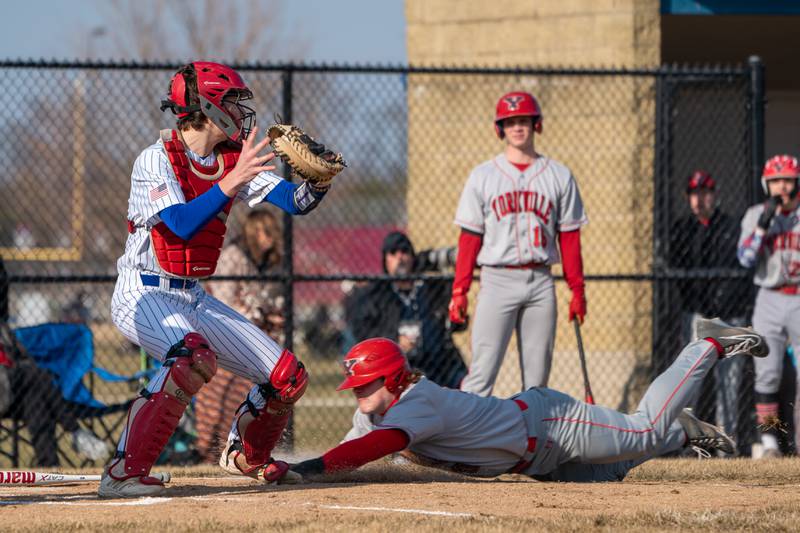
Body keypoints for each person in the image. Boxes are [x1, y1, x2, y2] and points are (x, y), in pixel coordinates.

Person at [99, 61, 334, 497]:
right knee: (190, 357)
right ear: (206, 106)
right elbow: (179, 226)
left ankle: (247, 456)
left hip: (192, 296)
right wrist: (231, 182)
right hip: (143, 290)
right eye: (230, 101)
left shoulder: (229, 159)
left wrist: (318, 183)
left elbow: (293, 202)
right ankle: (123, 473)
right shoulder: (156, 157)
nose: (240, 110)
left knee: (288, 377)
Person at [284, 318, 767, 483]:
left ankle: (707, 343)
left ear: (391, 378)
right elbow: (344, 457)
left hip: (553, 424)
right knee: (612, 473)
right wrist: (293, 469)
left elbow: (364, 452)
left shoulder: (415, 402)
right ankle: (684, 430)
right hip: (536, 461)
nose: (360, 394)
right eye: (357, 389)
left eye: (366, 385)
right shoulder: (379, 411)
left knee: (642, 428)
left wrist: (308, 469)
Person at [449, 91, 587, 396]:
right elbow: (469, 240)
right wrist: (459, 291)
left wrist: (577, 289)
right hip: (497, 279)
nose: (518, 127)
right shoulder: (483, 176)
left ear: (535, 124)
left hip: (540, 280)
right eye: (510, 122)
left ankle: (533, 444)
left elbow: (570, 238)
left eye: (523, 120)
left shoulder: (558, 175)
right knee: (481, 375)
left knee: (537, 383)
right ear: (500, 128)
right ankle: (466, 441)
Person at [667, 170, 752, 447]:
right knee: (690, 381)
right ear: (687, 197)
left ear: (714, 195)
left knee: (728, 382)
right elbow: (676, 271)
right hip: (697, 314)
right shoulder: (681, 230)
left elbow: (740, 268)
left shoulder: (730, 227)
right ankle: (687, 442)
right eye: (694, 193)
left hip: (729, 313)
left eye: (705, 193)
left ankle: (728, 442)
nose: (699, 199)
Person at [194, 209, 285, 463]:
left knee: (252, 389)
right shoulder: (233, 256)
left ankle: (238, 446)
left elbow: (275, 300)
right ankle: (208, 450)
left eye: (272, 232)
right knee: (217, 389)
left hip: (256, 337)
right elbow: (223, 303)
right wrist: (257, 314)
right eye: (264, 233)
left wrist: (271, 315)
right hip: (222, 332)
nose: (270, 239)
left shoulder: (273, 261)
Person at [0, 257, 109, 466]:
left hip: (8, 388)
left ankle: (49, 465)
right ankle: (75, 432)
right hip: (8, 383)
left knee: (36, 399)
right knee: (35, 376)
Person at [737, 154, 800, 458]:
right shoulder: (755, 215)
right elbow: (745, 259)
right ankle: (771, 441)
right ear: (766, 184)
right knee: (767, 372)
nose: (781, 187)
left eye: (787, 179)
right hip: (769, 295)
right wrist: (763, 226)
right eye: (775, 181)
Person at [349, 231, 467, 388]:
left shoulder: (431, 288)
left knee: (468, 386)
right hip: (401, 370)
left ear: (412, 257)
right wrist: (394, 341)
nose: (400, 257)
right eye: (393, 253)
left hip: (440, 364)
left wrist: (455, 319)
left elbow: (459, 323)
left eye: (405, 251)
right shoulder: (377, 295)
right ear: (385, 260)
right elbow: (363, 331)